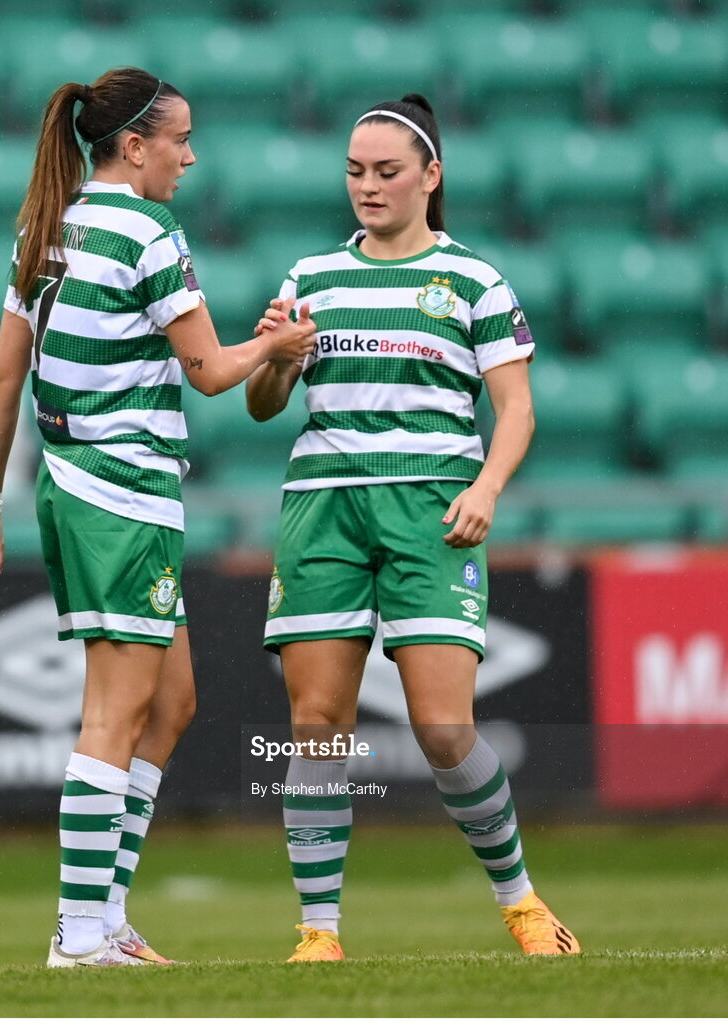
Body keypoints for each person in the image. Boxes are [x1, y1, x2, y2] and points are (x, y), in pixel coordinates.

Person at [0, 67, 316, 968]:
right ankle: (78, 937)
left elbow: (5, 378)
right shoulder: (148, 231)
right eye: (180, 140)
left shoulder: (49, 223)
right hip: (119, 492)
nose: (189, 157)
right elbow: (210, 372)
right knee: (113, 714)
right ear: (135, 145)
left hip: (76, 485)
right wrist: (279, 342)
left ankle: (105, 919)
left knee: (173, 702)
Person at [246, 94, 580, 961]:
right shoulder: (310, 275)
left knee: (443, 730)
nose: (368, 186)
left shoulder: (474, 280)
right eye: (355, 171)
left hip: (433, 508)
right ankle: (318, 934)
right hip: (322, 505)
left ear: (431, 175)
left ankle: (523, 905)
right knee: (318, 725)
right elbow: (262, 403)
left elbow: (516, 410)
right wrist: (275, 360)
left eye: (387, 171)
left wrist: (488, 486)